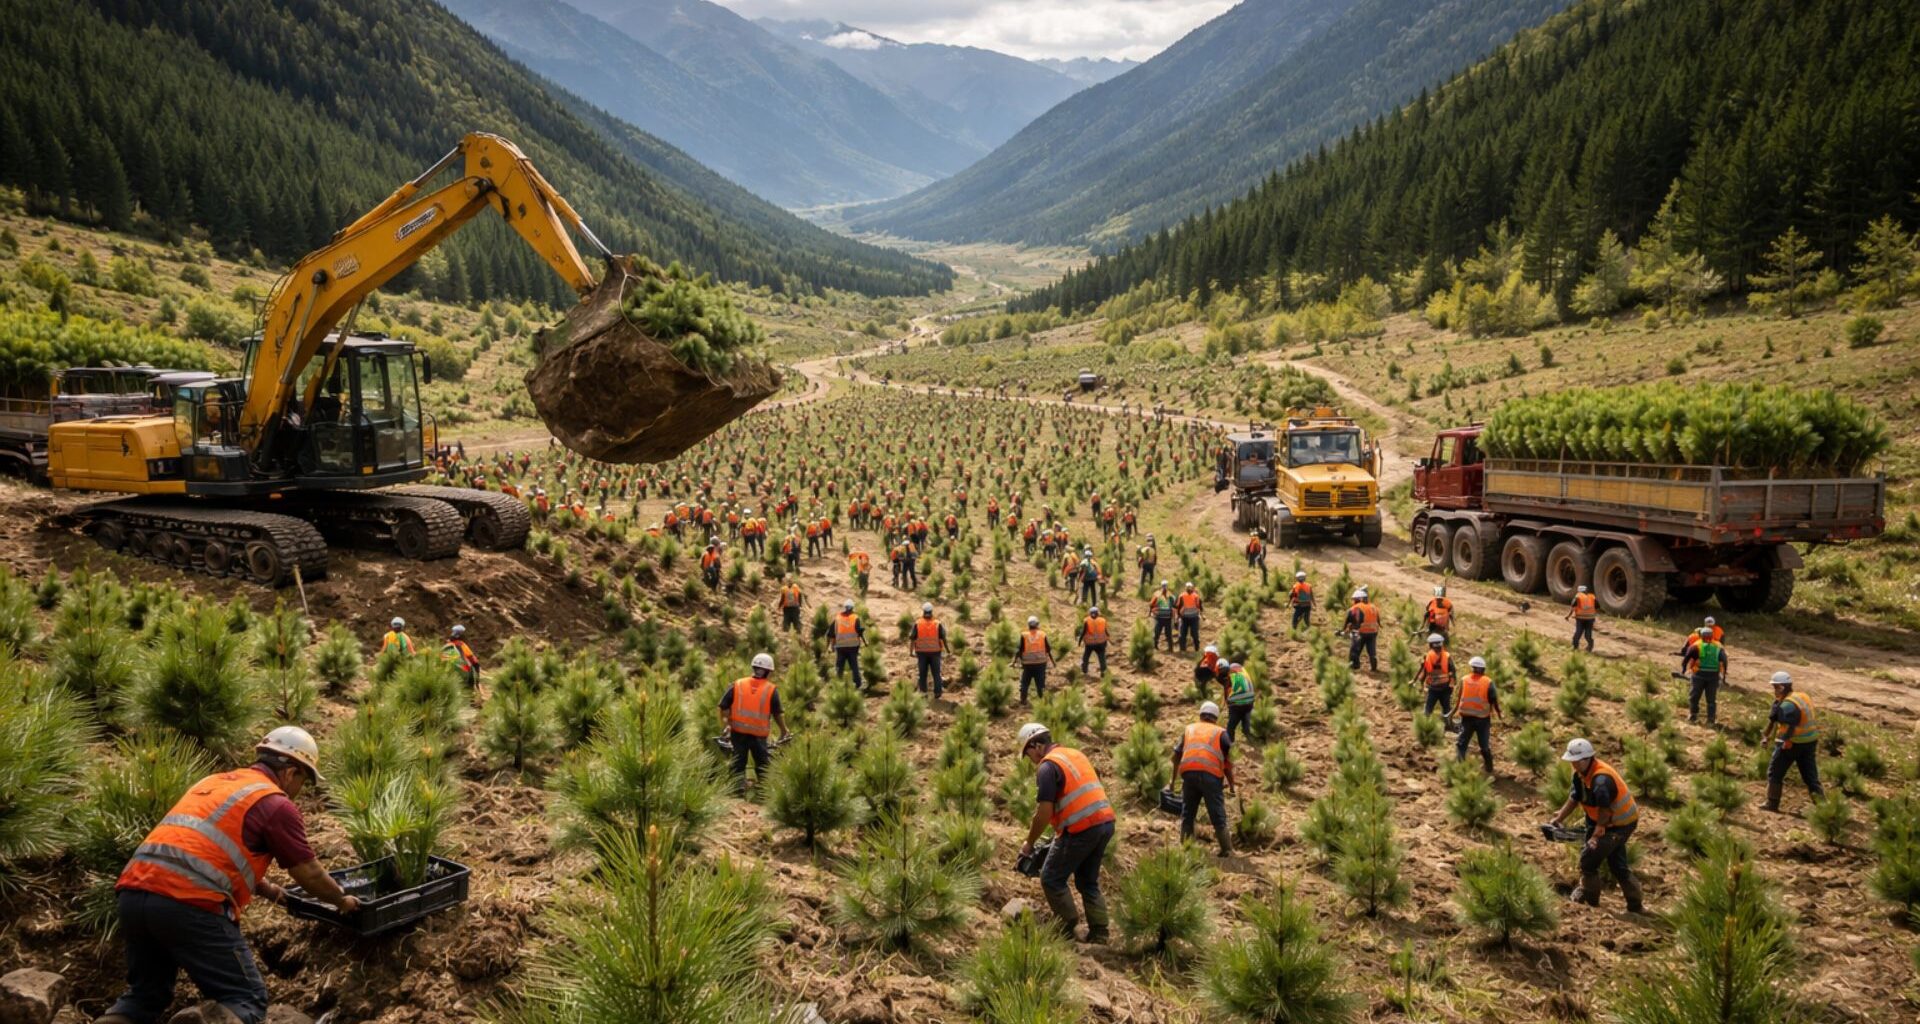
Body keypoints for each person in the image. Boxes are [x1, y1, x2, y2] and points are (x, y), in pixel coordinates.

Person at [101, 728, 361, 1024]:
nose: (301, 788)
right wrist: (342, 901)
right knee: (245, 998)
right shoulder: (275, 803)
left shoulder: (214, 783)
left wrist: (271, 891)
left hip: (133, 894)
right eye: (304, 780)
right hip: (190, 903)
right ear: (290, 772)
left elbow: (203, 850)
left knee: (144, 996)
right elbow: (309, 873)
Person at [1016, 723, 1115, 943]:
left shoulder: (1047, 767)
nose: (1030, 758)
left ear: (1037, 745)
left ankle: (1067, 929)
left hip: (1082, 828)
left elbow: (1044, 812)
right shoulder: (1074, 754)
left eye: (1028, 752)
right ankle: (1100, 933)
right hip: (1105, 823)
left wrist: (1029, 843)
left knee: (1051, 879)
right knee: (1088, 881)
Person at [1546, 738, 1644, 912]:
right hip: (1603, 821)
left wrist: (1596, 835)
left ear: (1587, 759)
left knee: (1588, 860)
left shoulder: (1601, 780)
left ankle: (1590, 901)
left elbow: (1605, 812)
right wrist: (1559, 818)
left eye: (1576, 762)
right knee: (1617, 864)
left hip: (1619, 824)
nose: (1573, 765)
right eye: (1572, 762)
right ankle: (1635, 906)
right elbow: (1574, 798)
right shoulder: (1581, 775)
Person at [719, 653, 790, 793]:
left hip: (738, 732)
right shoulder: (771, 689)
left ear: (753, 667)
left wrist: (726, 724)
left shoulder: (738, 684)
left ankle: (737, 789)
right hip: (758, 735)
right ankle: (764, 790)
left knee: (738, 761)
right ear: (769, 671)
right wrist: (784, 729)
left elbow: (723, 706)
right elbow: (777, 713)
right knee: (762, 763)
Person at [1172, 703, 1235, 856]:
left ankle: (1186, 850)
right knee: (1217, 813)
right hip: (1211, 776)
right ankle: (1227, 850)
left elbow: (1175, 757)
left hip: (1188, 774)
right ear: (1216, 718)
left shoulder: (1189, 729)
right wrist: (1232, 785)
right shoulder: (1221, 732)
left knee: (1188, 813)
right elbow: (1228, 762)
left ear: (1201, 715)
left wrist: (1172, 782)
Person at [1763, 671, 1824, 812]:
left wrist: (1785, 740)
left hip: (1792, 744)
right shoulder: (1802, 696)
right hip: (1810, 742)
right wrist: (1766, 735)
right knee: (1810, 777)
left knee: (1775, 772)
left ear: (1782, 687)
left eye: (1775, 687)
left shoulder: (1787, 705)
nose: (1774, 690)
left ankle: (1772, 804)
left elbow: (1791, 725)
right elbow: (1773, 720)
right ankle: (1824, 809)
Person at [1455, 655, 1500, 772]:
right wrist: (1498, 712)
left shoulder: (1464, 679)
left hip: (1466, 717)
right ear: (1483, 669)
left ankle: (1460, 768)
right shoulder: (1488, 682)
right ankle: (1489, 768)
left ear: (1472, 668)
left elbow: (1459, 696)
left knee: (1461, 744)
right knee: (1484, 745)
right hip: (1482, 719)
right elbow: (1493, 699)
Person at [1681, 626, 1729, 724]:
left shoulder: (1696, 645)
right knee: (1711, 699)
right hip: (1713, 676)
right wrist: (1723, 676)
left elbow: (1686, 658)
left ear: (1700, 636)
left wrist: (1684, 669)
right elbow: (1724, 660)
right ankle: (1710, 719)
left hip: (1698, 675)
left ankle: (1693, 715)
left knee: (1694, 696)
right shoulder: (1718, 646)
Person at [911, 602, 949, 700]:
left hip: (922, 653)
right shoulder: (937, 623)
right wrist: (948, 650)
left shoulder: (917, 623)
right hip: (935, 652)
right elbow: (943, 638)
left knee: (922, 673)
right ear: (931, 612)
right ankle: (938, 692)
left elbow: (912, 638)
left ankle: (923, 693)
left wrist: (911, 652)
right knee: (936, 673)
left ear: (923, 611)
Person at [1418, 634, 1455, 727]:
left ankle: (1425, 726)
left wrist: (1421, 682)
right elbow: (1453, 671)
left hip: (1433, 688)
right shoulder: (1447, 656)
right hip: (1445, 687)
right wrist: (1452, 684)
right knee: (1447, 709)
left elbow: (1425, 672)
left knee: (1428, 709)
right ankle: (1448, 725)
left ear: (1430, 645)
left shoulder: (1428, 656)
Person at [1017, 616, 1053, 703]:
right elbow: (1048, 648)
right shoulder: (1042, 634)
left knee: (1025, 682)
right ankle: (1042, 701)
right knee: (1040, 683)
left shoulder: (1024, 635)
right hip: (1040, 663)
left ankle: (1023, 699)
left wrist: (1017, 661)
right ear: (1037, 624)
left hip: (1027, 664)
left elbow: (1020, 650)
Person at [832, 599, 866, 691]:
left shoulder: (838, 617)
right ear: (852, 608)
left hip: (840, 646)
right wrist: (863, 636)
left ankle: (837, 684)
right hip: (852, 646)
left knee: (839, 666)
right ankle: (857, 684)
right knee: (854, 665)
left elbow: (833, 632)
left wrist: (833, 645)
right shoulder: (855, 617)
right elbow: (859, 631)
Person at [1344, 588, 1380, 671]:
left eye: (1355, 599)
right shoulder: (1373, 607)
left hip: (1361, 632)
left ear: (1360, 599)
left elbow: (1349, 619)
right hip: (1373, 632)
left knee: (1355, 649)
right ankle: (1373, 666)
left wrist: (1344, 629)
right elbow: (1378, 620)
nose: (1354, 601)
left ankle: (1354, 666)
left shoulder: (1356, 608)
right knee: (1371, 650)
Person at [1221, 661, 1256, 743]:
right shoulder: (1244, 673)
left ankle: (1230, 743)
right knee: (1246, 725)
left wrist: (1228, 703)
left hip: (1236, 704)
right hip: (1249, 702)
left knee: (1230, 728)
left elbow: (1228, 692)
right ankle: (1251, 740)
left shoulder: (1230, 675)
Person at [439, 624, 479, 689]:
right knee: (474, 666)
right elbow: (473, 659)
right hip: (464, 673)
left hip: (448, 676)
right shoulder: (462, 645)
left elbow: (442, 661)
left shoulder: (446, 647)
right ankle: (475, 686)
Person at [1078, 606, 1109, 677]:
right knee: (1102, 658)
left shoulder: (1087, 621)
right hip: (1101, 643)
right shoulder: (1103, 620)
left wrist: (1079, 641)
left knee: (1086, 656)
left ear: (1090, 613)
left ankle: (1084, 670)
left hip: (1090, 643)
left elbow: (1083, 632)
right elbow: (1106, 632)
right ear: (1098, 613)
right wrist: (1107, 641)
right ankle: (1103, 671)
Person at [1567, 584, 1597, 651]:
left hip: (1581, 618)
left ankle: (1575, 648)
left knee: (1578, 634)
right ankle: (1590, 646)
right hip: (1590, 619)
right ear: (1586, 590)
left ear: (1579, 591)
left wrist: (1568, 616)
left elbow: (1572, 606)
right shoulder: (1592, 596)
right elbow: (1597, 606)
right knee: (1588, 635)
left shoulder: (1578, 596)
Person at [1175, 582, 1204, 652]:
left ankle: (1197, 649)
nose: (1189, 589)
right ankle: (1182, 650)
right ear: (1185, 588)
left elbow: (1200, 607)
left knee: (1195, 635)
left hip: (1194, 618)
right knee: (1181, 635)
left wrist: (1201, 615)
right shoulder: (1181, 596)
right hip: (1184, 618)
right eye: (1187, 587)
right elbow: (1177, 607)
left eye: (1190, 587)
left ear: (1192, 588)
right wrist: (1177, 617)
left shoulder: (1196, 596)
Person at [1148, 581, 1176, 651]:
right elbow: (1151, 604)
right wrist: (1152, 612)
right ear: (1161, 586)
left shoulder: (1170, 595)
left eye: (1165, 585)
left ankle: (1170, 648)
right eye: (1163, 586)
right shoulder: (1157, 594)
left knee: (1168, 633)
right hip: (1159, 618)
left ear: (1167, 586)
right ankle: (1155, 646)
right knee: (1157, 632)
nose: (1164, 587)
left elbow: (1174, 607)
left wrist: (1174, 617)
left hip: (1168, 618)